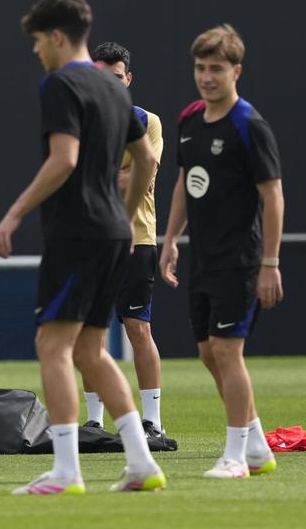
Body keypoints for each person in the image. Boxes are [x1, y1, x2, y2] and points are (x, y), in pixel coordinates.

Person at [0, 0, 165, 495]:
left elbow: (63, 160)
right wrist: (125, 216)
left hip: (78, 230)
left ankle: (66, 472)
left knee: (52, 344)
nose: (35, 51)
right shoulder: (116, 91)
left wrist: (14, 213)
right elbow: (148, 162)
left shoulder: (61, 83)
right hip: (115, 231)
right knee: (92, 349)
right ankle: (140, 462)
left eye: (38, 40)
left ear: (57, 36)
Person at [160, 24, 282, 479]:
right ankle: (256, 444)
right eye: (200, 68)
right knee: (209, 354)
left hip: (242, 258)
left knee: (228, 352)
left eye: (216, 69)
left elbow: (274, 197)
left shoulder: (249, 125)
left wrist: (270, 263)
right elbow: (183, 183)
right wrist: (170, 239)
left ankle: (236, 457)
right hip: (203, 257)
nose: (207, 77)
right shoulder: (190, 119)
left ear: (236, 71)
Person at [81, 42, 176, 449]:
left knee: (138, 328)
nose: (109, 83)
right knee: (91, 335)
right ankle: (93, 420)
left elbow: (143, 175)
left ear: (128, 79)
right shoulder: (82, 122)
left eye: (116, 77)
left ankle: (152, 421)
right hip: (92, 241)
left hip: (137, 239)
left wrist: (108, 176)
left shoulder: (146, 121)